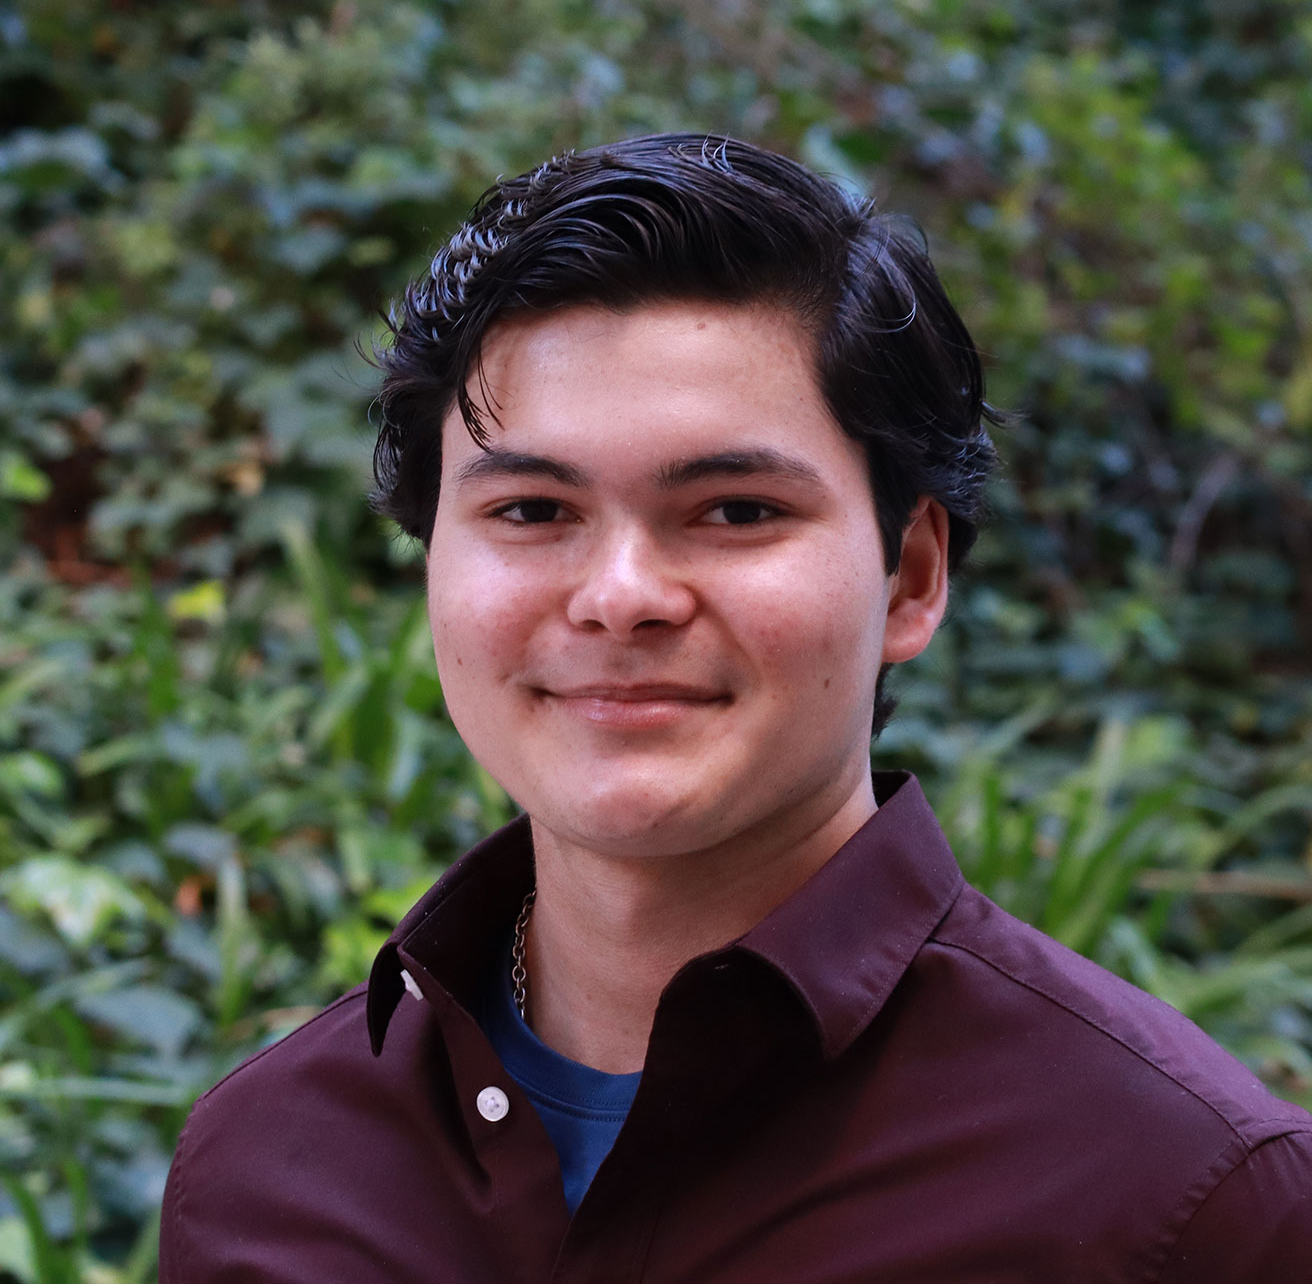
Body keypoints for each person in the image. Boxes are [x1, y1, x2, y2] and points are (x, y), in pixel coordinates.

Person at [160, 134, 1311, 1282]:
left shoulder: (1183, 1199)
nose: (620, 599)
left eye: (737, 510)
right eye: (530, 512)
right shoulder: (267, 1168)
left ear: (910, 576)